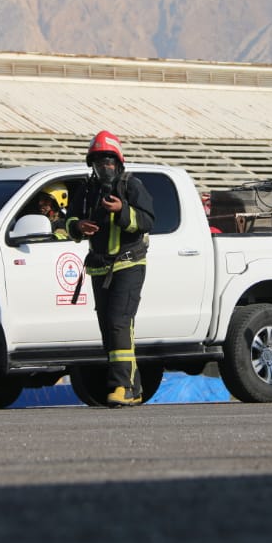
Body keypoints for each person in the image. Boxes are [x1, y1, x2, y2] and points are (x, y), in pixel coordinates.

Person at [66, 131, 155, 407]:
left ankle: (122, 387)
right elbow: (69, 222)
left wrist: (122, 210)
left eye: (108, 161)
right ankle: (134, 387)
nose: (104, 167)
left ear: (118, 163)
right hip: (99, 268)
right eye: (98, 162)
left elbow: (148, 220)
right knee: (109, 327)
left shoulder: (132, 186)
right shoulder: (86, 190)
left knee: (119, 322)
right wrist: (78, 227)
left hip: (129, 264)